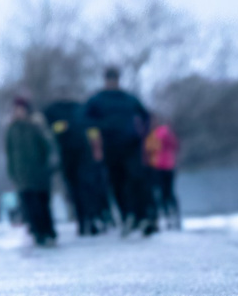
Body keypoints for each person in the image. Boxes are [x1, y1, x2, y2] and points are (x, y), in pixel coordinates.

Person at [85, 67, 156, 235]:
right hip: (110, 147)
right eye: (110, 79)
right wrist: (97, 137)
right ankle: (127, 216)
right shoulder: (97, 100)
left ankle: (143, 217)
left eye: (114, 78)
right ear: (105, 80)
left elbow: (146, 116)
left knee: (136, 179)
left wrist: (142, 134)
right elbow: (85, 120)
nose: (112, 82)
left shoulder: (127, 98)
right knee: (117, 182)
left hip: (130, 145)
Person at [43, 98, 107, 235]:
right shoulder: (74, 112)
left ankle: (89, 220)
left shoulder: (75, 112)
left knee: (84, 191)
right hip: (73, 159)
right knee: (79, 191)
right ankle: (85, 221)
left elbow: (93, 131)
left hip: (80, 158)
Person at [3, 95, 58, 247]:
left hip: (39, 174)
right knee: (30, 207)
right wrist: (12, 173)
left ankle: (48, 232)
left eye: (21, 109)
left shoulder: (35, 126)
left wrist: (46, 166)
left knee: (42, 205)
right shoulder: (11, 130)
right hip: (22, 176)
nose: (19, 112)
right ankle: (38, 233)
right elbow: (9, 153)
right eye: (16, 110)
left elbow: (46, 148)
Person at [145, 120, 181, 228]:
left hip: (157, 166)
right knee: (169, 192)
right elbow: (176, 146)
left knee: (159, 192)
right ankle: (174, 214)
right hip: (170, 166)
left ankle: (165, 215)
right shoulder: (170, 134)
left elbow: (150, 148)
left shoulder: (154, 134)